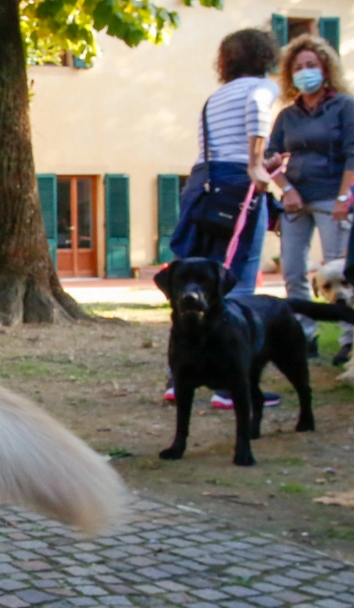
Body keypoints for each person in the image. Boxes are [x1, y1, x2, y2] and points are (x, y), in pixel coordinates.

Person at [165, 28, 281, 409]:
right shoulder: (260, 89)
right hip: (237, 186)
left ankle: (178, 376)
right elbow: (258, 117)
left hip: (202, 185)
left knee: (195, 276)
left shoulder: (214, 97)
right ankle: (231, 386)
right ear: (265, 56)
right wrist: (256, 166)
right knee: (235, 280)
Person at [268, 34, 354, 365]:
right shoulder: (287, 115)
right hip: (295, 201)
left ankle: (348, 341)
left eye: (311, 65)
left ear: (326, 69)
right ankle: (305, 336)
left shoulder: (345, 107)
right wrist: (286, 188)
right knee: (292, 270)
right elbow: (270, 159)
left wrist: (345, 197)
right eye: (299, 67)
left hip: (334, 198)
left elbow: (352, 155)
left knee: (342, 272)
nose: (306, 72)